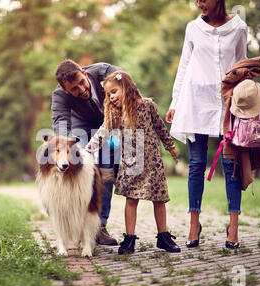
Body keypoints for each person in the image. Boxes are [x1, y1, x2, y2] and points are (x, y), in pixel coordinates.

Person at [165, 0, 247, 249]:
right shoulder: (192, 28)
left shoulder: (239, 27)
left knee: (230, 162)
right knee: (197, 163)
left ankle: (233, 226)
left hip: (227, 103)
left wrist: (245, 101)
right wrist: (175, 102)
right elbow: (184, 66)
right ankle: (193, 224)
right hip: (195, 101)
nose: (199, 2)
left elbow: (243, 66)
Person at [85, 70, 181, 254]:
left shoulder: (147, 105)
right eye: (108, 94)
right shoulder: (115, 113)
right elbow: (103, 133)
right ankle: (129, 239)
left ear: (126, 86)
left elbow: (160, 127)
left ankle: (163, 236)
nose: (111, 97)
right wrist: (88, 149)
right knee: (131, 199)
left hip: (153, 163)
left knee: (159, 199)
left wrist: (170, 146)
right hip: (131, 164)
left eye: (114, 91)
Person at [51, 59, 120, 245]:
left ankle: (100, 228)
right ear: (65, 90)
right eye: (74, 89)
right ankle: (77, 223)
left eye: (82, 82)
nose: (81, 89)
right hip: (81, 129)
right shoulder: (59, 96)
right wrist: (67, 152)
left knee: (106, 170)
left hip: (112, 126)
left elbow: (129, 90)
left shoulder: (105, 72)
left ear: (84, 72)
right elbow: (61, 125)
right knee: (81, 166)